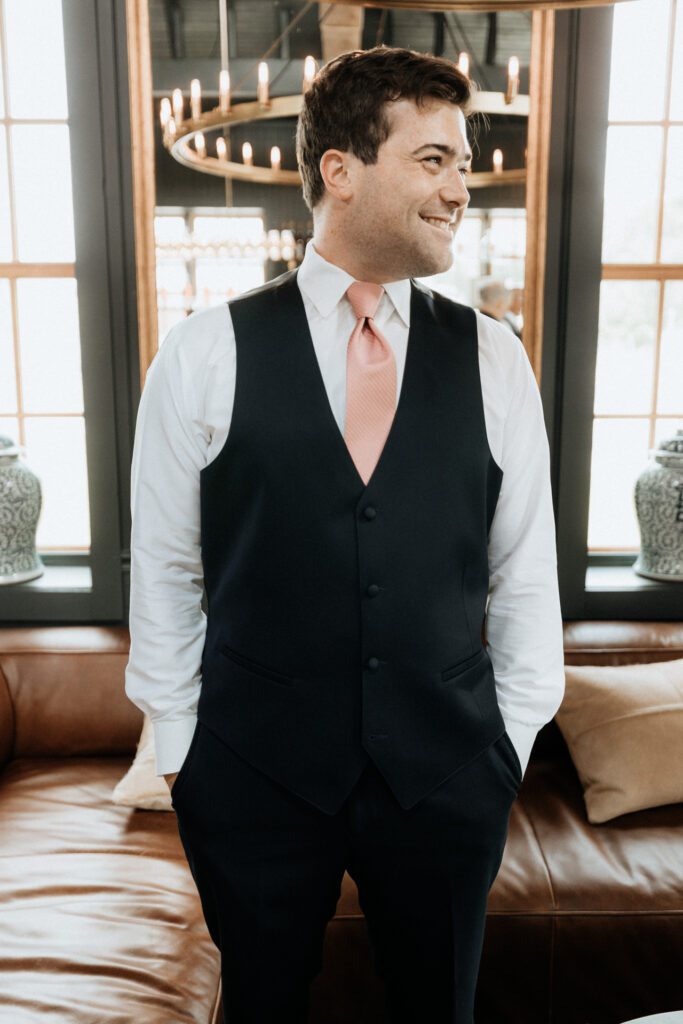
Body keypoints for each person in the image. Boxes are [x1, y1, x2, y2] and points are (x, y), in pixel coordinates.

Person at [125, 45, 564, 1024]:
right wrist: (183, 749)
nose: (461, 189)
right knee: (262, 1005)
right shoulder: (203, 353)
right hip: (250, 772)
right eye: (434, 160)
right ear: (340, 169)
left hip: (447, 772)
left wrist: (509, 742)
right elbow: (163, 568)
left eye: (464, 163)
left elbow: (522, 568)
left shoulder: (493, 358)